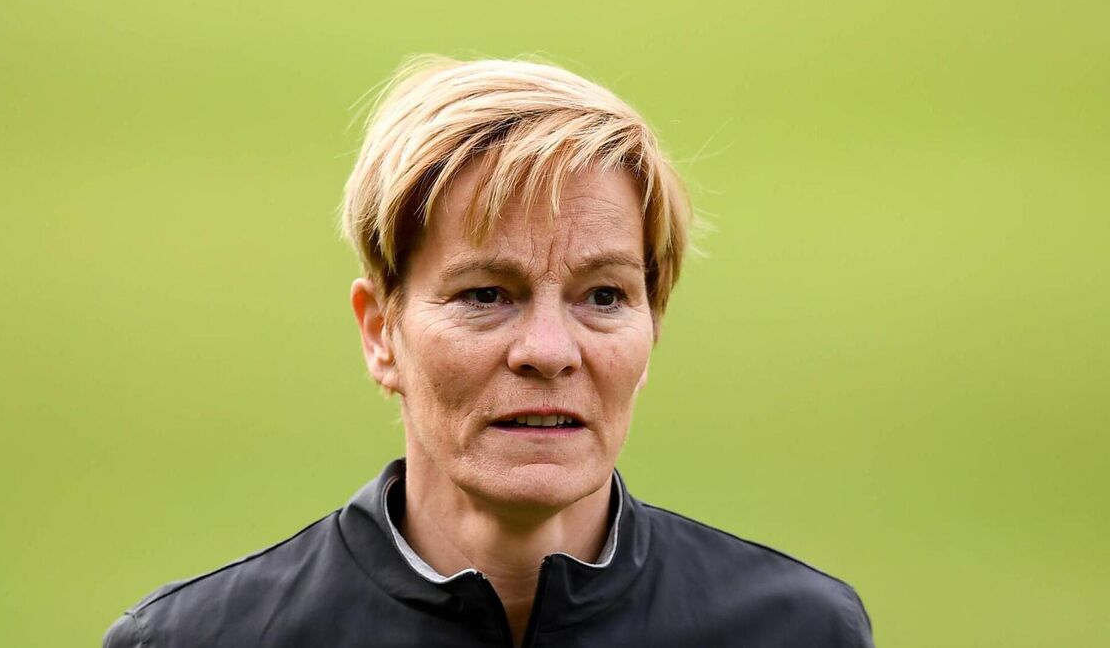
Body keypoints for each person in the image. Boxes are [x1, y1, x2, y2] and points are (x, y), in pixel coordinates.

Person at [104, 56, 875, 647]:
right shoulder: (194, 640)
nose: (549, 351)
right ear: (379, 332)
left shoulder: (799, 632)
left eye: (604, 296)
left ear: (653, 328)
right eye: (485, 294)